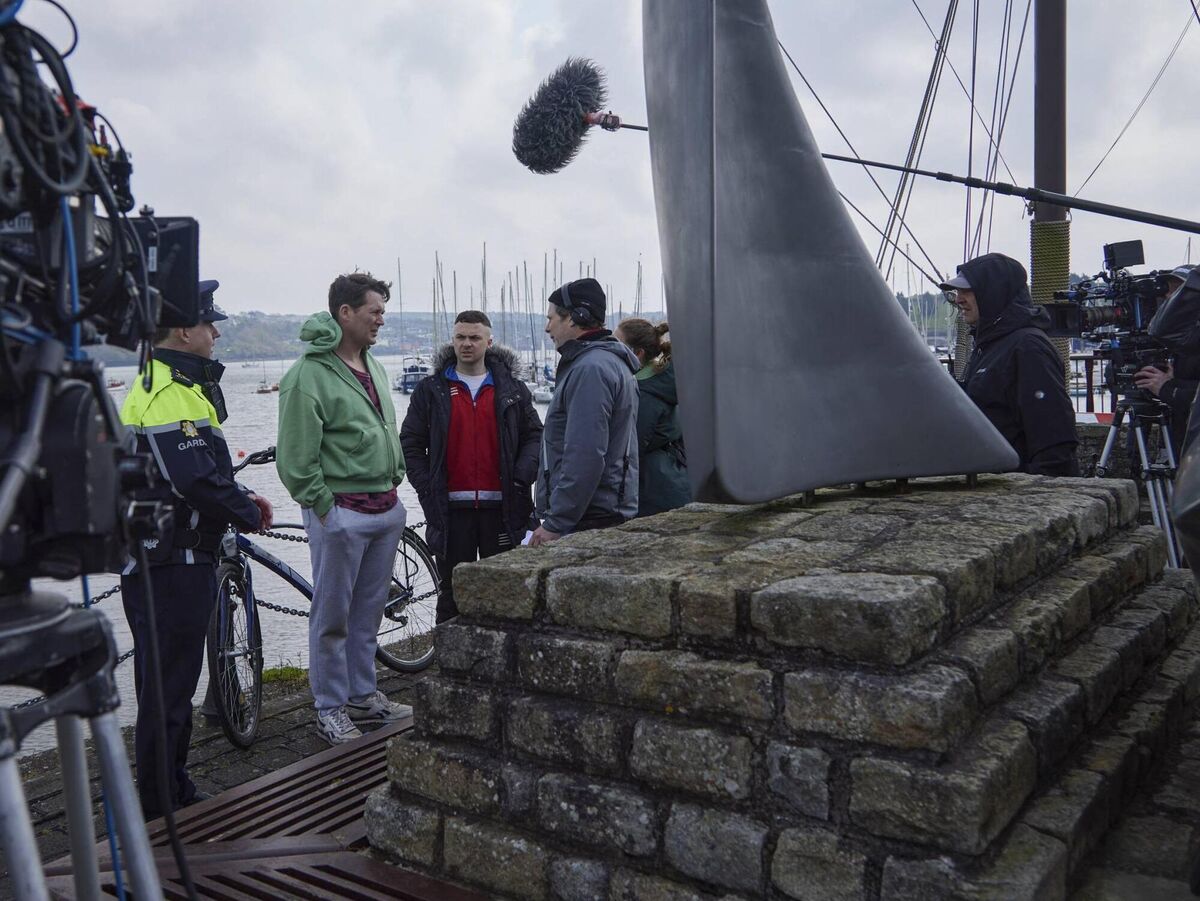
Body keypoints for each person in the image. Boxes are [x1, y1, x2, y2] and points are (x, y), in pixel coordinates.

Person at [120, 279, 272, 818]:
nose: (214, 334)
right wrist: (248, 510)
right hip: (172, 562)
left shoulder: (164, 380)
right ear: (185, 330)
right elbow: (194, 479)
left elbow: (200, 473)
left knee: (172, 686)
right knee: (168, 690)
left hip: (169, 558)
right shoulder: (169, 390)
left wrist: (240, 494)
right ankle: (162, 805)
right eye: (210, 325)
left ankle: (172, 788)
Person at [276, 271, 410, 745]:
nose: (380, 320)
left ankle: (363, 694)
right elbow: (295, 457)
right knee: (331, 616)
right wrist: (322, 506)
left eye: (383, 311)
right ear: (345, 312)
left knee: (368, 611)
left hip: (385, 508)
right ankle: (330, 707)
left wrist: (394, 481)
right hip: (341, 513)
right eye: (374, 311)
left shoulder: (373, 364)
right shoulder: (306, 375)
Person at [400, 311, 542, 623]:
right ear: (453, 341)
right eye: (461, 337)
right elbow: (410, 442)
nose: (467, 344)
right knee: (451, 593)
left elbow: (535, 436)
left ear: (488, 342)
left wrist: (521, 477)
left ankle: (502, 663)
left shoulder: (513, 389)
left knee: (503, 592)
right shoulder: (431, 390)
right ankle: (449, 663)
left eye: (474, 338)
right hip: (449, 511)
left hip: (503, 509)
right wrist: (426, 485)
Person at [941, 253, 1079, 476]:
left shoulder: (1028, 347)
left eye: (967, 291)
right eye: (957, 292)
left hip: (1021, 488)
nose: (958, 299)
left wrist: (1040, 494)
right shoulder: (990, 344)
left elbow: (1054, 437)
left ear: (993, 292)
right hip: (995, 481)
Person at [531, 278, 640, 546]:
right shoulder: (609, 363)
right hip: (602, 511)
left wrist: (557, 521)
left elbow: (586, 452)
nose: (547, 328)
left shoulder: (590, 369)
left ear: (573, 318)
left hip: (589, 518)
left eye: (551, 318)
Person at [615, 317, 690, 516]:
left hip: (655, 491)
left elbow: (631, 450)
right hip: (674, 481)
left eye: (616, 344)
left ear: (638, 353)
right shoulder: (662, 382)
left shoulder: (644, 393)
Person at [1134, 264, 1199, 461]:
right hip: (1182, 441)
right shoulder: (1180, 340)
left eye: (1179, 291)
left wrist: (1168, 388)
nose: (1170, 297)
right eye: (1167, 290)